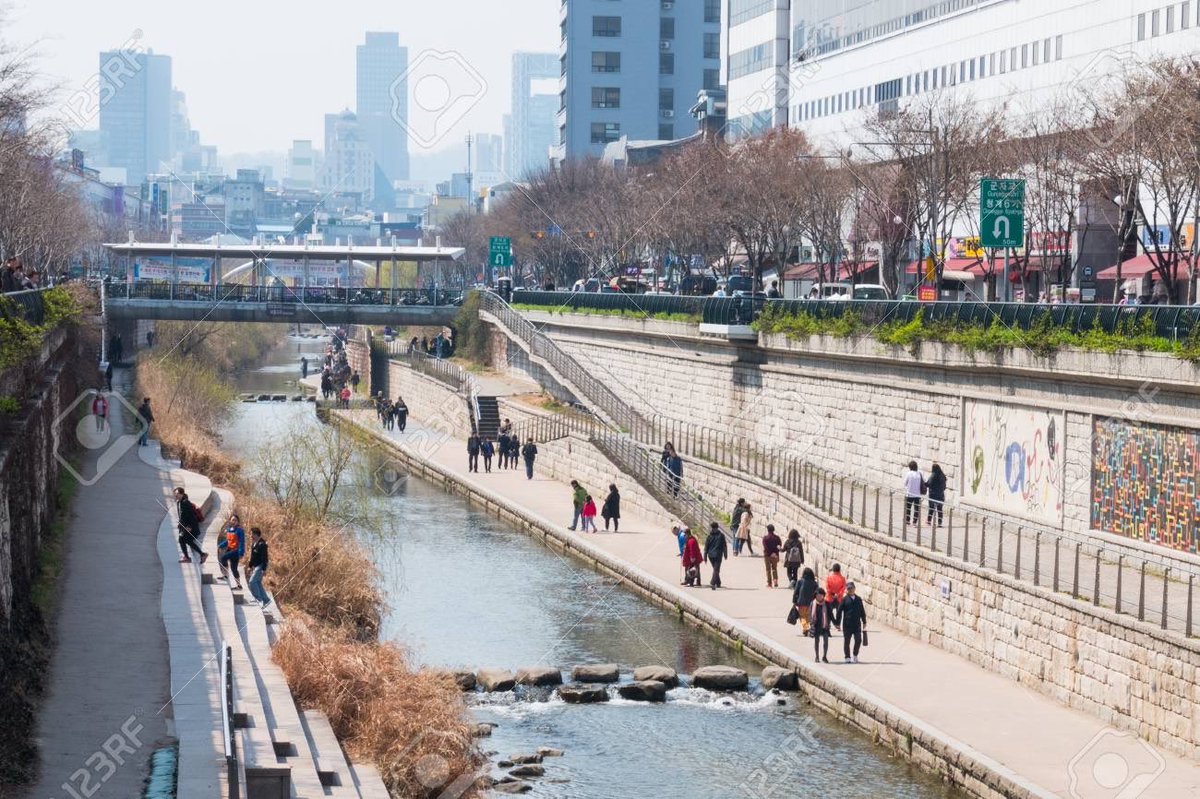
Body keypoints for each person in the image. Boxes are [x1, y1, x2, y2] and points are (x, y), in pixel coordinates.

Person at [836, 582, 868, 663]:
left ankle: (855, 655)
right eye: (849, 588)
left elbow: (862, 611)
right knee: (847, 641)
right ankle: (847, 657)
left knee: (858, 640)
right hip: (847, 624)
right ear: (847, 590)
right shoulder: (844, 599)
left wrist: (864, 622)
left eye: (851, 588)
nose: (850, 590)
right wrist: (837, 623)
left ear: (854, 588)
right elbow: (839, 611)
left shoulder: (858, 599)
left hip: (857, 624)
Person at [174, 488, 207, 564]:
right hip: (184, 526)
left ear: (182, 494)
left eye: (177, 493)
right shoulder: (179, 502)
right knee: (183, 540)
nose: (176, 495)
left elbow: (191, 516)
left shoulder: (186, 502)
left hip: (190, 527)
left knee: (184, 540)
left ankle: (198, 555)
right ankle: (199, 555)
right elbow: (182, 516)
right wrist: (180, 523)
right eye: (175, 493)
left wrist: (189, 526)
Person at [217, 514, 246, 589]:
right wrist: (221, 545)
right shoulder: (229, 529)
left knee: (223, 558)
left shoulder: (240, 530)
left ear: (238, 522)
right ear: (230, 521)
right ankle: (239, 585)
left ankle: (225, 575)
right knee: (234, 568)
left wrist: (241, 552)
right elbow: (228, 541)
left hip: (236, 551)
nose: (234, 521)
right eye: (232, 520)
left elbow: (241, 542)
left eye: (235, 520)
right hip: (230, 549)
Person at [246, 527, 271, 608]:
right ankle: (266, 600)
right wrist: (250, 566)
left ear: (256, 534)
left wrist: (264, 569)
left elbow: (265, 558)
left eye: (252, 534)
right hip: (256, 566)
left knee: (252, 581)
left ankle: (258, 598)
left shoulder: (262, 544)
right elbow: (252, 557)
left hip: (260, 566)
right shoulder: (254, 544)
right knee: (257, 583)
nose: (250, 536)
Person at [810, 587, 835, 663]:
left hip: (825, 626)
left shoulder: (827, 604)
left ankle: (824, 656)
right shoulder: (813, 603)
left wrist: (835, 623)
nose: (819, 597)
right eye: (818, 595)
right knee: (817, 641)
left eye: (821, 595)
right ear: (815, 596)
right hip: (816, 625)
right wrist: (811, 623)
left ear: (823, 596)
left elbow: (831, 615)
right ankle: (817, 656)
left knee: (826, 641)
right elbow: (810, 614)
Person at [793, 567, 819, 637]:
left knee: (802, 617)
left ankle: (806, 628)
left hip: (801, 602)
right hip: (811, 603)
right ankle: (805, 630)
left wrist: (794, 601)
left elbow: (796, 592)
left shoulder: (800, 581)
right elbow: (817, 593)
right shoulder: (814, 583)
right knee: (808, 616)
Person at [703, 521, 728, 590]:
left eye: (713, 528)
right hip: (712, 556)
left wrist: (725, 554)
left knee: (716, 569)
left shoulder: (721, 536)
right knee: (716, 569)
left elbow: (724, 546)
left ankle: (717, 582)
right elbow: (706, 547)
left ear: (716, 528)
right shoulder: (709, 536)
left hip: (717, 555)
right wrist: (705, 557)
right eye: (712, 528)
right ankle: (713, 583)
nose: (712, 529)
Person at [903, 460, 925, 526]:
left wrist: (907, 488)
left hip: (909, 493)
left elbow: (904, 483)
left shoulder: (908, 473)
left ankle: (907, 521)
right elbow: (924, 482)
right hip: (917, 494)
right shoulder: (919, 473)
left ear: (910, 467)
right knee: (916, 509)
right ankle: (915, 522)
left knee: (908, 508)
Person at [926, 463, 947, 528]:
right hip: (941, 495)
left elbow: (929, 484)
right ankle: (940, 522)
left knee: (931, 508)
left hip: (933, 495)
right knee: (940, 509)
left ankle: (929, 521)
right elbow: (944, 487)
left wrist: (924, 484)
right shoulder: (943, 476)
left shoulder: (933, 475)